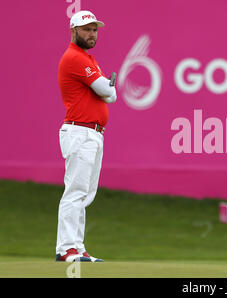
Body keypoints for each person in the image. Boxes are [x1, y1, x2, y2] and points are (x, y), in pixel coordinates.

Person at [55, 10, 117, 262]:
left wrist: (106, 89)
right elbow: (106, 89)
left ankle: (77, 248)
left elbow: (110, 96)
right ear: (74, 31)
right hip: (80, 130)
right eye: (86, 29)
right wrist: (105, 88)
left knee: (85, 193)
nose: (92, 34)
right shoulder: (75, 57)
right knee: (76, 191)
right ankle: (66, 249)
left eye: (94, 30)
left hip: (92, 133)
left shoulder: (89, 59)